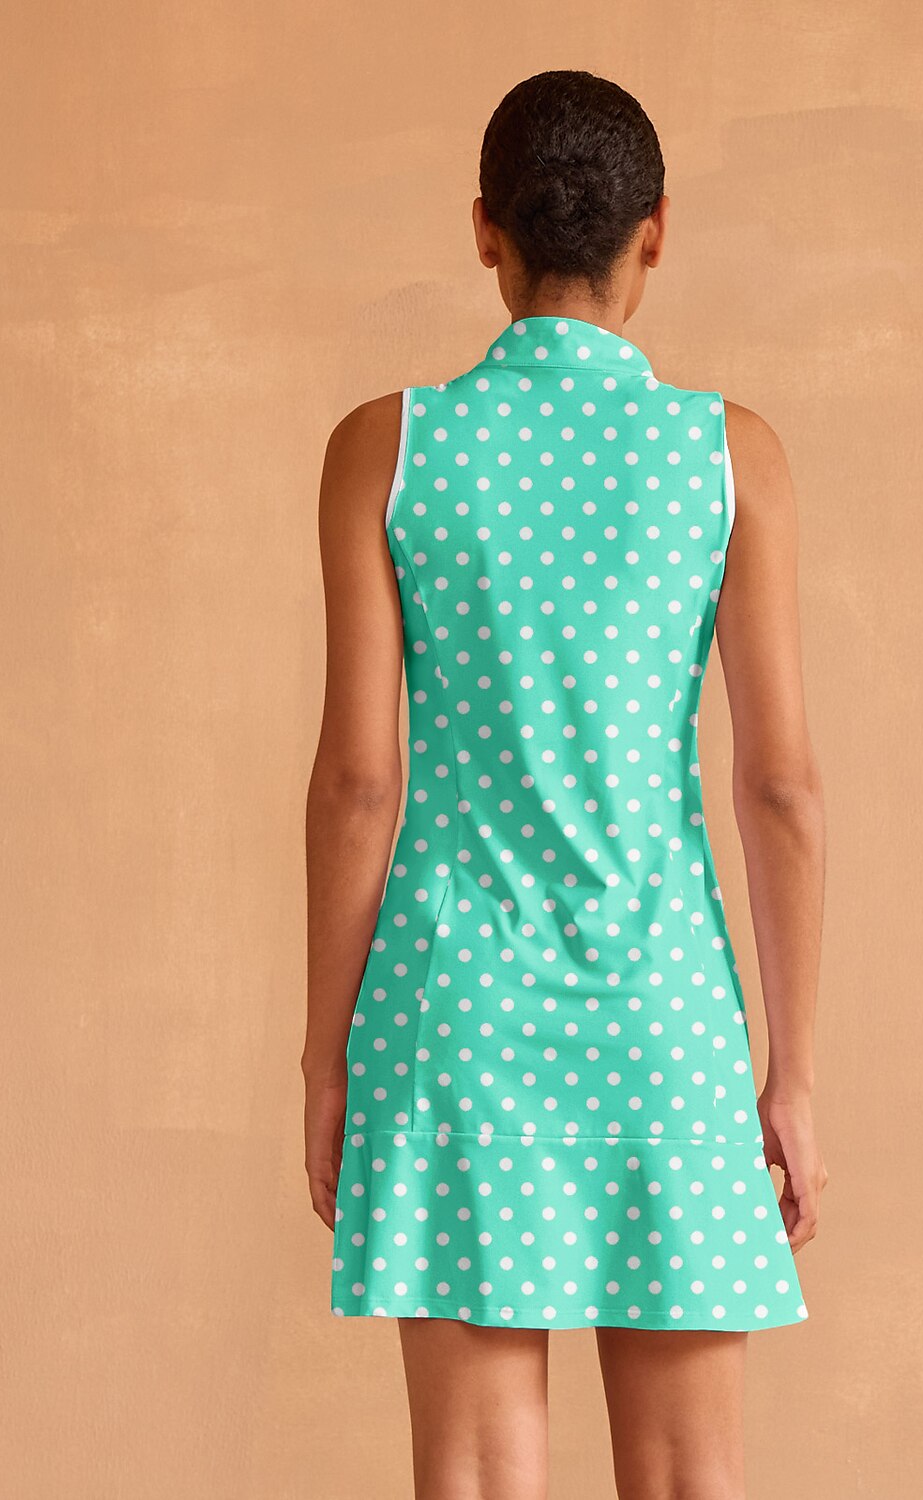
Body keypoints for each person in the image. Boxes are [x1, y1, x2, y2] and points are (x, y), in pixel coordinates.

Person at [303, 68, 827, 1500]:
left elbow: (357, 785)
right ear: (654, 233)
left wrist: (326, 1054)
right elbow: (779, 787)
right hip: (664, 1013)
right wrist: (789, 1072)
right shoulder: (728, 457)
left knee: (474, 1477)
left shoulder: (388, 450)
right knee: (689, 1480)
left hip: (454, 1012)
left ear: (485, 230)